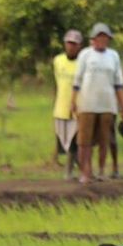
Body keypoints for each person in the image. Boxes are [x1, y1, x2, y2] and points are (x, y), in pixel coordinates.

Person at [71, 23, 123, 183]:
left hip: (107, 104)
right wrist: (73, 101)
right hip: (87, 103)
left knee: (104, 139)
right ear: (93, 39)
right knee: (85, 140)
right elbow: (77, 80)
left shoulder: (113, 56)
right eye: (100, 37)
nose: (102, 40)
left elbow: (119, 83)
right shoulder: (85, 54)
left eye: (105, 37)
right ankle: (85, 171)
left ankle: (101, 171)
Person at [52, 30, 83, 179]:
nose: (71, 47)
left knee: (73, 142)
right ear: (65, 44)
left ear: (79, 46)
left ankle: (69, 172)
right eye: (69, 43)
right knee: (64, 142)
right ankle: (85, 169)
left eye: (74, 44)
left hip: (77, 108)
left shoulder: (82, 64)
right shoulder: (58, 61)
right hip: (60, 108)